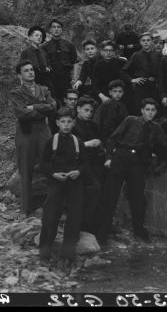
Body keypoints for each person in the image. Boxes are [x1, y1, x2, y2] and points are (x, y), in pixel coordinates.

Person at [96, 98, 167, 243]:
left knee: (138, 199)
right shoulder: (130, 120)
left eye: (153, 110)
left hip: (138, 162)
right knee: (110, 196)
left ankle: (139, 232)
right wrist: (108, 157)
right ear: (142, 110)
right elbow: (112, 139)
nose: (150, 113)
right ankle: (101, 234)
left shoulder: (156, 127)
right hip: (121, 157)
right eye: (147, 109)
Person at [38, 108, 87, 269]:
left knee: (74, 218)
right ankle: (44, 254)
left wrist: (78, 171)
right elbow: (43, 164)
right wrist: (53, 174)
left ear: (73, 123)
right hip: (56, 182)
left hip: (74, 183)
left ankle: (68, 255)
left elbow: (85, 164)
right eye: (63, 122)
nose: (66, 125)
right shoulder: (51, 141)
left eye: (69, 122)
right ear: (58, 123)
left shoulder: (78, 142)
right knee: (50, 216)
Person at [10, 60, 57, 215]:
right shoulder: (16, 93)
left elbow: (53, 107)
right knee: (26, 170)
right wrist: (42, 110)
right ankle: (26, 208)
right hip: (26, 134)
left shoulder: (44, 90)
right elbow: (21, 113)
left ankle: (53, 205)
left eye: (31, 70)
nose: (30, 72)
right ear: (20, 75)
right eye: (26, 70)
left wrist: (34, 107)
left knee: (51, 165)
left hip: (44, 132)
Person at [72, 97, 105, 233]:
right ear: (78, 109)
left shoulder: (92, 125)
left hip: (94, 162)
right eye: (86, 110)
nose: (89, 113)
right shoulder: (71, 124)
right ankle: (81, 226)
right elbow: (68, 145)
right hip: (78, 164)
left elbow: (99, 141)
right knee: (89, 191)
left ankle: (93, 225)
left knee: (98, 190)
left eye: (91, 111)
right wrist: (87, 144)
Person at [41, 19, 79, 104]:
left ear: (61, 30)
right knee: (53, 102)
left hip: (66, 78)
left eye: (58, 27)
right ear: (50, 30)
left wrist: (75, 79)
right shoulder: (44, 47)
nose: (56, 29)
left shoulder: (69, 45)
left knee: (68, 101)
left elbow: (75, 62)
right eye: (54, 27)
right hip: (51, 78)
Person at [122, 32, 161, 114]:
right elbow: (123, 71)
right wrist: (132, 80)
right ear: (140, 42)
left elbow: (162, 72)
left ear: (152, 42)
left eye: (148, 40)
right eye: (143, 40)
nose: (146, 42)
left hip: (155, 88)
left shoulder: (158, 55)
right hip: (141, 89)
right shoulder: (136, 55)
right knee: (141, 111)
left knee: (155, 111)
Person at [92, 40, 132, 108]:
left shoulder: (121, 62)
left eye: (110, 50)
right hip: (104, 96)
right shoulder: (97, 65)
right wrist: (102, 96)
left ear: (114, 52)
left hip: (120, 94)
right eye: (105, 50)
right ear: (101, 52)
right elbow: (95, 85)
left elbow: (127, 80)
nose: (108, 53)